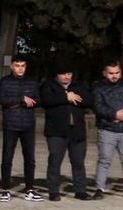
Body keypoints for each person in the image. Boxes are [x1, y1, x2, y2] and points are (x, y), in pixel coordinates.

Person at [40, 63, 93, 201]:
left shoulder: (79, 86)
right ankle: (53, 191)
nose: (66, 77)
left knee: (78, 162)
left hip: (77, 130)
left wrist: (73, 97)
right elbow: (46, 100)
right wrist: (65, 97)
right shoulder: (49, 85)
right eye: (63, 74)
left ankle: (80, 190)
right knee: (55, 161)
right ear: (57, 75)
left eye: (69, 74)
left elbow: (89, 100)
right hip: (56, 131)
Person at [92, 61, 123, 199]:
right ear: (104, 73)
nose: (114, 76)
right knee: (104, 160)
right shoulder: (98, 88)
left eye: (117, 73)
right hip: (107, 129)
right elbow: (98, 106)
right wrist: (113, 114)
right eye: (111, 73)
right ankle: (99, 189)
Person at [0, 54, 43, 202]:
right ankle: (5, 189)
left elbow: (37, 100)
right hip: (11, 124)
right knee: (7, 158)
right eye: (17, 66)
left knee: (30, 159)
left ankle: (30, 189)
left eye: (22, 66)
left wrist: (21, 103)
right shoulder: (5, 81)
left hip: (28, 124)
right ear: (11, 66)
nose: (20, 69)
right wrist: (22, 100)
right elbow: (3, 100)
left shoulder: (31, 82)